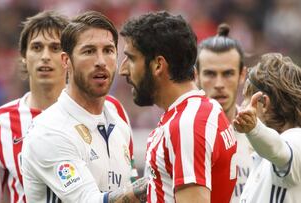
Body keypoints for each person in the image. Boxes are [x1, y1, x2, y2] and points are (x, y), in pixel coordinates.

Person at [0, 10, 133, 203]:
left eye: (54, 47)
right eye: (37, 48)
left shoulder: (112, 110)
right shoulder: (1, 122)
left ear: (66, 58)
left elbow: (128, 177)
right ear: (24, 56)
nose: (45, 57)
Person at [21, 11, 146, 203]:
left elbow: (130, 183)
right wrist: (154, 183)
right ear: (66, 61)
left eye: (108, 50)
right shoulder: (49, 131)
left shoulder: (118, 122)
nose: (101, 62)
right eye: (89, 51)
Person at [119, 11, 237, 203]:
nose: (122, 69)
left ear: (158, 65)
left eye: (131, 58)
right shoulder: (203, 110)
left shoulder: (186, 125)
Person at [195, 24, 252, 202]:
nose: (219, 83)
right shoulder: (185, 134)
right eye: (210, 74)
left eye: (228, 74)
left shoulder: (263, 134)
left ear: (242, 75)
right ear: (196, 76)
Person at [233, 53, 301, 203]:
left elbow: (279, 151)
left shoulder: (297, 138)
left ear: (264, 103)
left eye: (246, 97)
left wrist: (254, 129)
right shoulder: (262, 156)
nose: (242, 106)